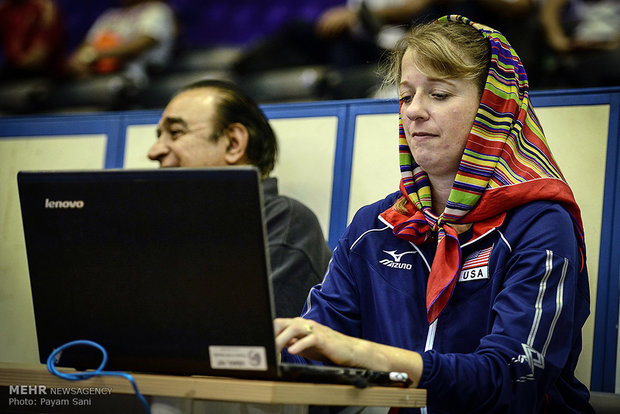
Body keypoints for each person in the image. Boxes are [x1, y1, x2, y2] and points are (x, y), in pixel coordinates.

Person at [274, 15, 594, 413]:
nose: (414, 112)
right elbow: (311, 355)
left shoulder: (540, 222)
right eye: (406, 95)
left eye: (439, 95)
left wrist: (370, 356)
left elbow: (512, 381)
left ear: (493, 108)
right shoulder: (374, 226)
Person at [147, 79, 332, 319]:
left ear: (234, 143)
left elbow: (247, 339)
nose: (154, 151)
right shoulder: (163, 224)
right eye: (160, 135)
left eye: (175, 133)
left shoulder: (282, 221)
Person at [65, 0, 176, 88]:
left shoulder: (157, 10)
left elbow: (143, 43)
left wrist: (94, 55)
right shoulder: (110, 15)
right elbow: (87, 44)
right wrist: (78, 60)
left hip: (138, 75)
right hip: (97, 73)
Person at [539, 0, 620, 88]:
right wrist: (557, 39)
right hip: (577, 48)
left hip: (611, 49)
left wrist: (610, 44)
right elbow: (549, 10)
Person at [0, 0, 65, 78]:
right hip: (14, 71)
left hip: (43, 74)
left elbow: (39, 56)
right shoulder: (5, 10)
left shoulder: (44, 8)